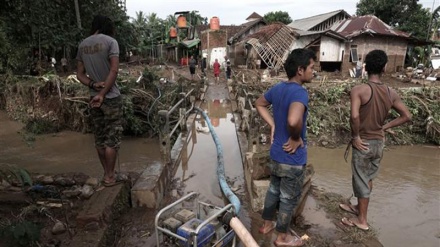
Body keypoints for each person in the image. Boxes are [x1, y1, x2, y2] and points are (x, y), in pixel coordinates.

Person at [340, 49, 411, 231]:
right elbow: (406, 116)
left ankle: (362, 221)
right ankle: (358, 208)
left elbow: (354, 116)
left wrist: (355, 136)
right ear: (384, 68)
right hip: (379, 143)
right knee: (368, 177)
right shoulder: (390, 92)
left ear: (365, 67)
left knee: (361, 178)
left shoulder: (359, 90)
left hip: (363, 142)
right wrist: (384, 127)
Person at [255, 48, 316, 247]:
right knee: (288, 199)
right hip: (292, 157)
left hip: (277, 153)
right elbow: (292, 120)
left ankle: (266, 225)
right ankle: (282, 238)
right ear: (300, 70)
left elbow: (259, 104)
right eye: (312, 68)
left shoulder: (278, 88)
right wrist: (297, 137)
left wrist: (272, 124)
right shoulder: (300, 92)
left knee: (273, 190)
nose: (313, 72)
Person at [76, 15, 123, 187]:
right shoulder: (111, 42)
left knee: (99, 138)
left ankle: (106, 173)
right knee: (112, 139)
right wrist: (103, 93)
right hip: (110, 98)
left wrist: (93, 85)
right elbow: (114, 70)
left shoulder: (83, 45)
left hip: (92, 98)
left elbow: (79, 74)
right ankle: (110, 177)